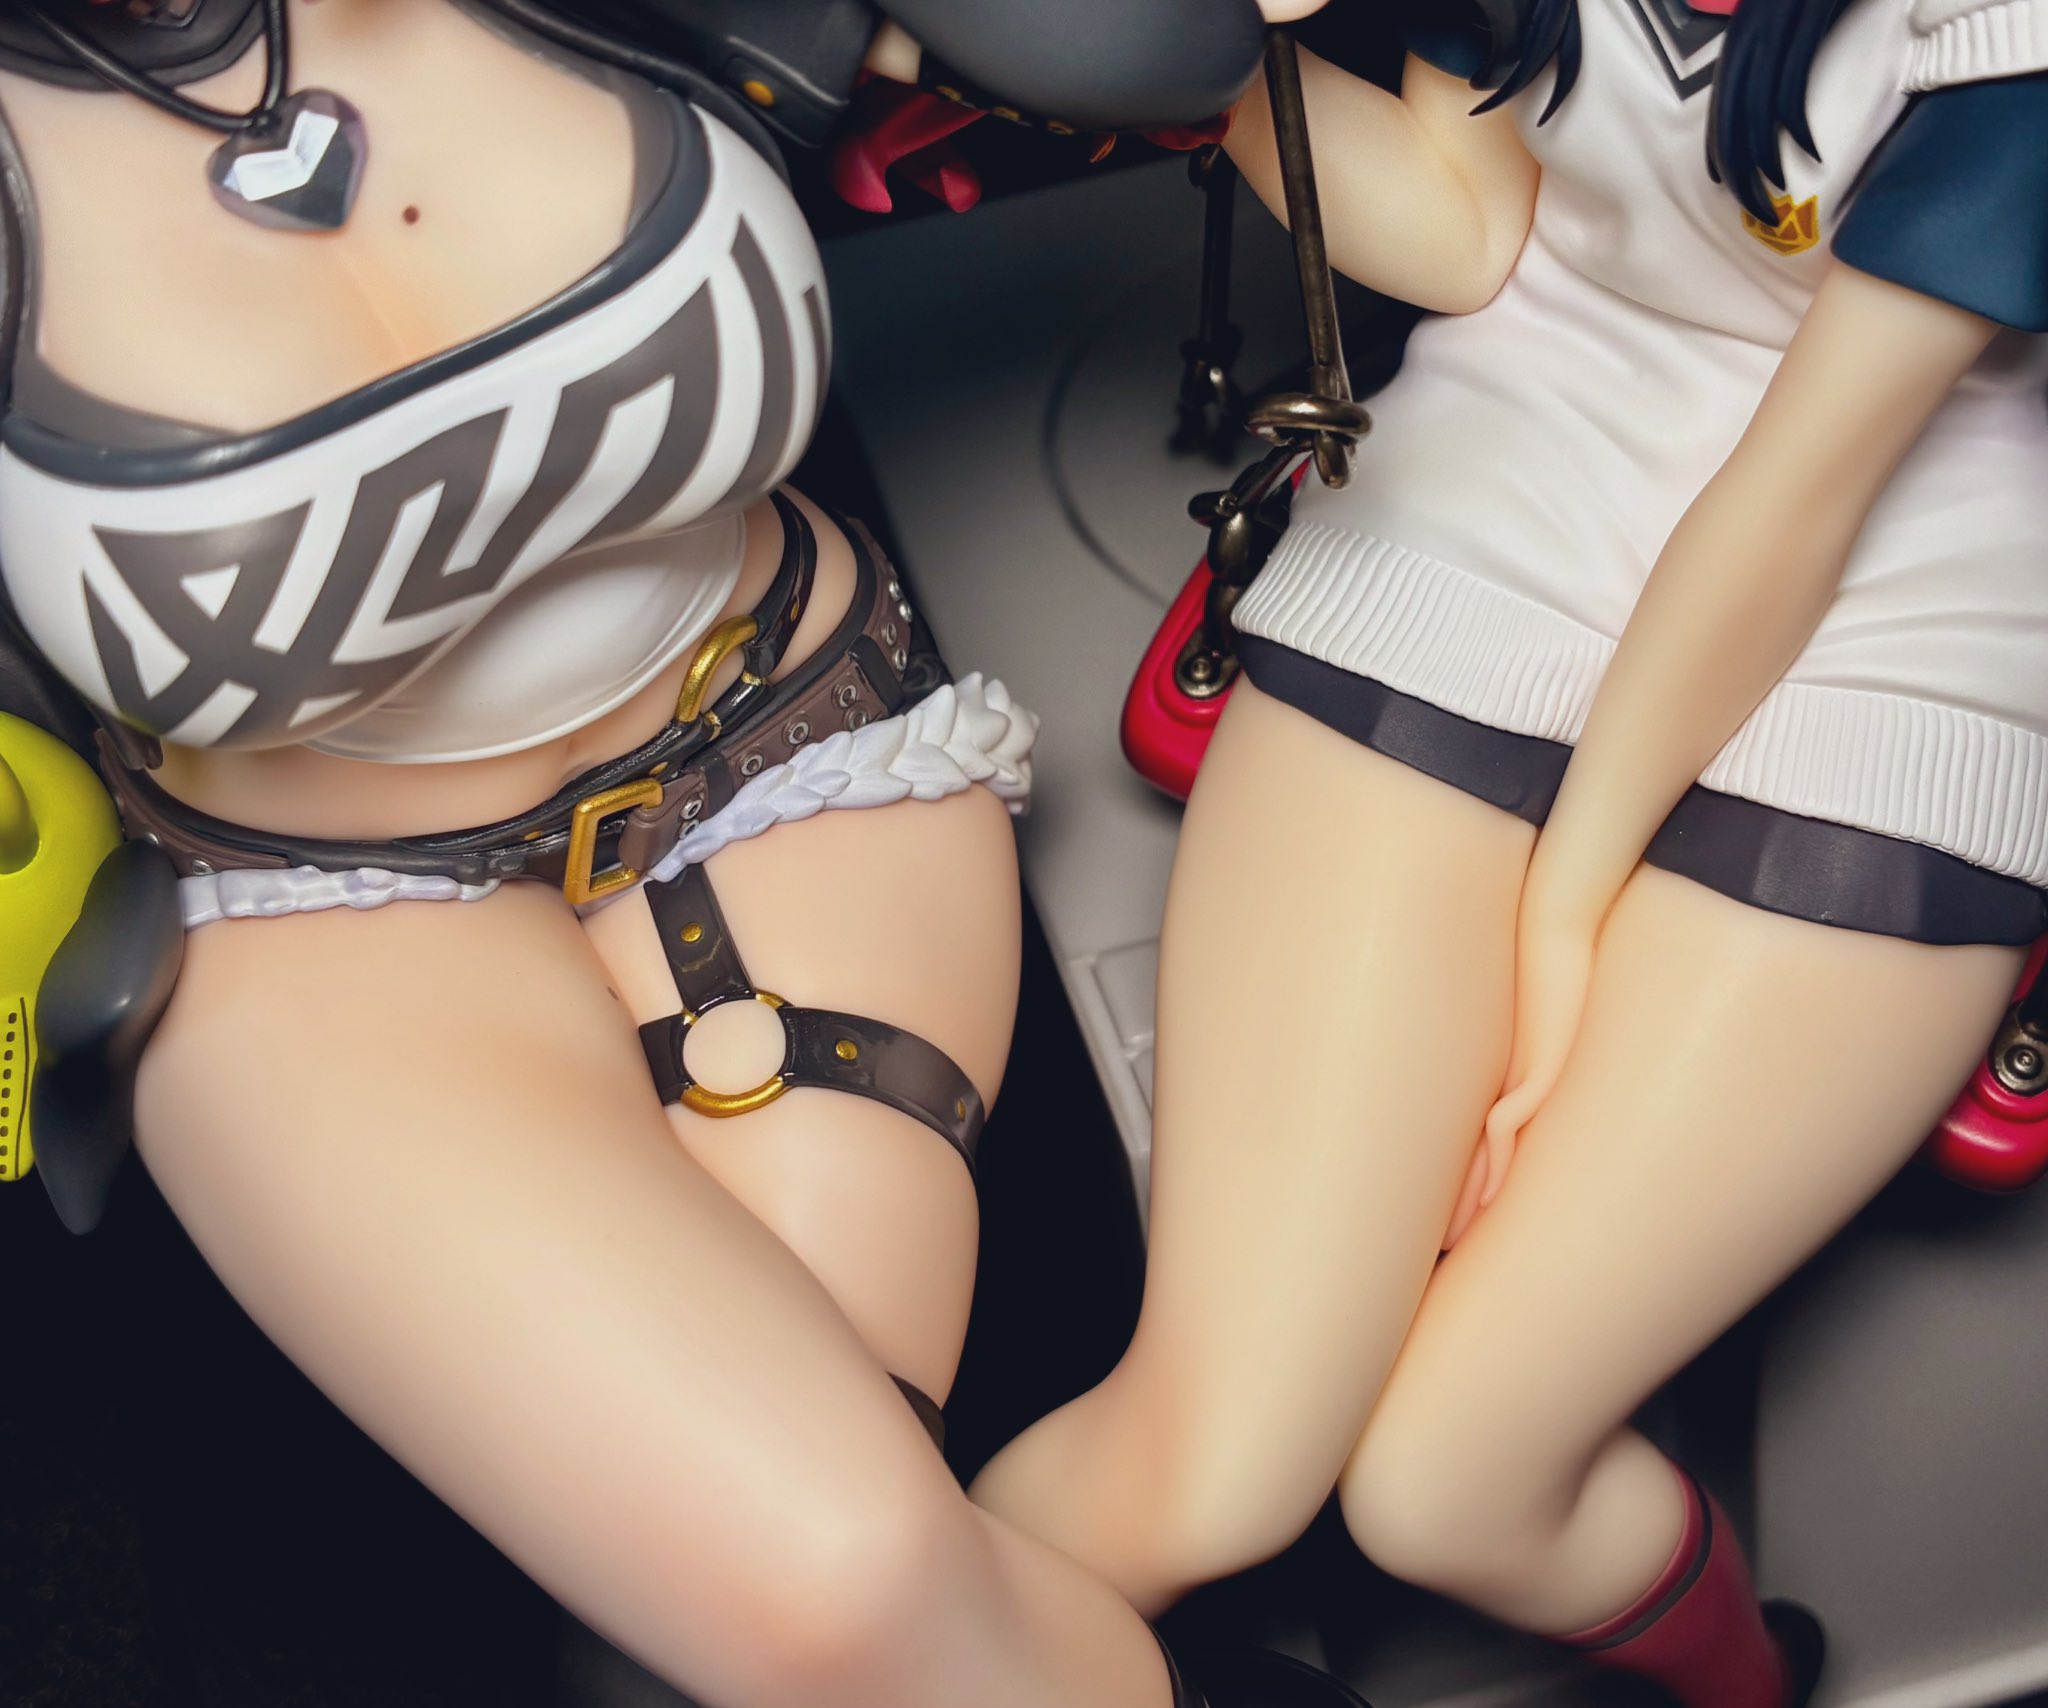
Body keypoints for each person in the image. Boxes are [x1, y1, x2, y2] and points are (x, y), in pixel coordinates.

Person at [0, 1, 1366, 1702]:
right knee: (841, 1579)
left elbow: (1147, 45)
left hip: (786, 753)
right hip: (316, 916)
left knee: (776, 1599)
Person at [970, 1, 2048, 1702]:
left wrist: (1559, 918)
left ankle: (1747, 1686)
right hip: (1505, 484)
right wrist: (1178, 58)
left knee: (1452, 1483)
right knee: (1212, 1459)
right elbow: (1472, 226)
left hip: (1911, 594)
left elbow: (1797, 502)